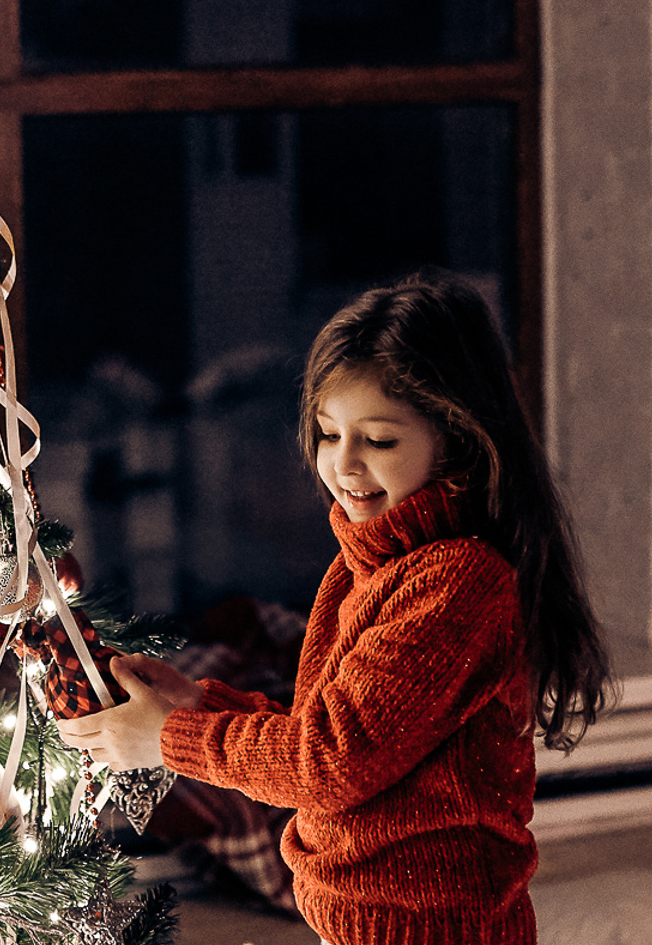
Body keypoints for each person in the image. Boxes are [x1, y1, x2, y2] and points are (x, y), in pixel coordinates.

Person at [57, 271, 614, 945]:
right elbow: (326, 733)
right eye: (328, 435)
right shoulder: (364, 565)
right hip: (355, 921)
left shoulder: (457, 584)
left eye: (378, 441)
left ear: (456, 437)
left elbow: (330, 763)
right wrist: (197, 706)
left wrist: (171, 738)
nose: (344, 465)